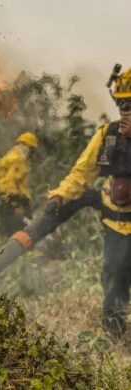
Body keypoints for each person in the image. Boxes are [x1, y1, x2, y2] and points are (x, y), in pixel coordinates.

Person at [46, 66, 131, 338]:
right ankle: (117, 341)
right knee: (115, 275)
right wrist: (60, 195)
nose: (126, 110)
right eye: (122, 104)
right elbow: (81, 172)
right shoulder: (108, 135)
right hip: (117, 221)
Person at [0, 132, 39, 236]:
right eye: (32, 150)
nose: (31, 154)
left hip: (4, 204)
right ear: (25, 146)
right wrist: (15, 204)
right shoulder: (19, 159)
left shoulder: (5, 159)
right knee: (26, 237)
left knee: (8, 238)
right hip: (17, 204)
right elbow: (9, 182)